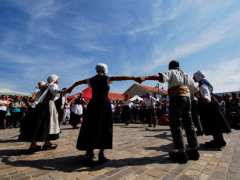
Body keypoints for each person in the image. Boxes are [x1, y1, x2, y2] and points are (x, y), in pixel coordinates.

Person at [66, 63, 140, 163]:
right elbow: (121, 78)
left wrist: (71, 88)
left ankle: (89, 152)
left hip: (93, 104)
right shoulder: (107, 78)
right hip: (104, 104)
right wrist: (134, 78)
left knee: (90, 126)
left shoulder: (91, 80)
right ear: (105, 70)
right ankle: (101, 153)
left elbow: (77, 82)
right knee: (104, 126)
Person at [140, 60, 199, 163]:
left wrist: (145, 78)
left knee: (175, 124)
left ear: (170, 67)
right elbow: (195, 89)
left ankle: (180, 151)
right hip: (187, 99)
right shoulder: (186, 75)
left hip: (176, 98)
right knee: (189, 124)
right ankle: (193, 150)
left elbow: (160, 77)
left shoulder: (172, 72)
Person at [28, 75, 69, 153]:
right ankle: (42, 144)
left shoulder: (45, 86)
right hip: (47, 106)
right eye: (57, 79)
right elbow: (55, 91)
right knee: (47, 124)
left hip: (41, 107)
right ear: (54, 80)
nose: (58, 81)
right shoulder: (53, 85)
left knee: (42, 124)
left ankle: (41, 143)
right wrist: (65, 91)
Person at [193, 71, 231, 148]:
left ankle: (218, 142)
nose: (193, 78)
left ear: (198, 77)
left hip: (210, 108)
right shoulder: (204, 83)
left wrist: (198, 96)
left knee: (214, 125)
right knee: (215, 125)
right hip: (212, 106)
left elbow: (207, 99)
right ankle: (219, 141)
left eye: (194, 77)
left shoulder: (202, 85)